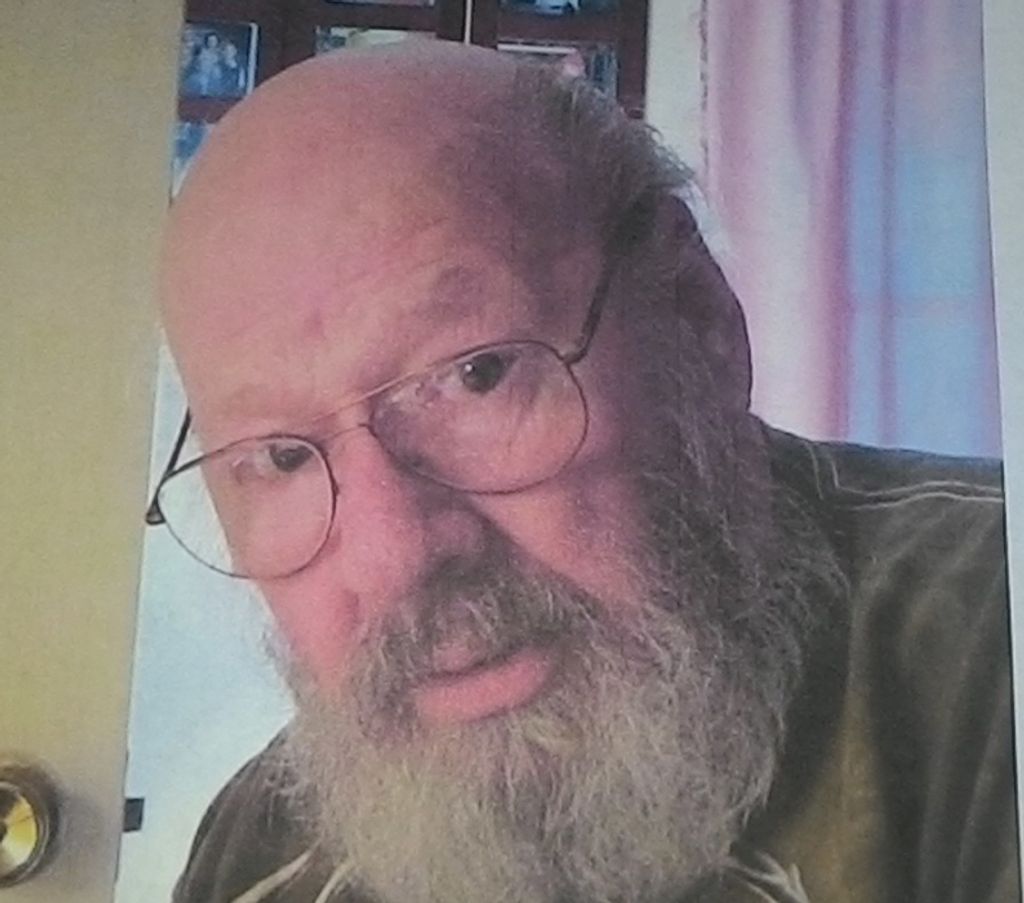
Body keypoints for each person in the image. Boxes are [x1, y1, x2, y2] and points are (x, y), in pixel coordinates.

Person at [151, 42, 1018, 903]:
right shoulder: (254, 854)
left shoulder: (989, 662)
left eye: (478, 373)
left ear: (697, 318)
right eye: (280, 457)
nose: (395, 555)